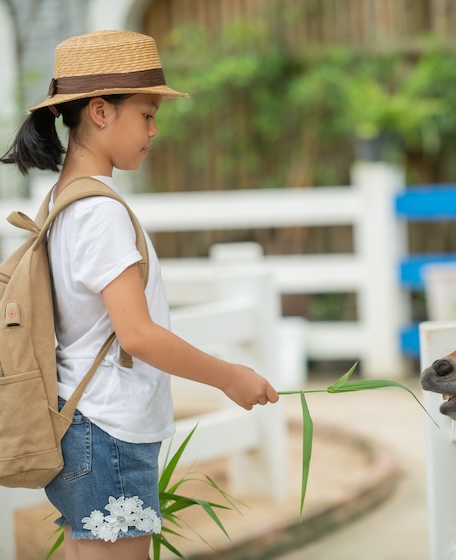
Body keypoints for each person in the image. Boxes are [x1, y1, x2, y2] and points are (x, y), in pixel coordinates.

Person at [1, 30, 279, 560]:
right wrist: (230, 377)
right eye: (147, 115)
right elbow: (138, 333)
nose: (154, 131)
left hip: (81, 424)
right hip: (108, 430)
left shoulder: (63, 201)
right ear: (101, 112)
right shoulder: (100, 212)